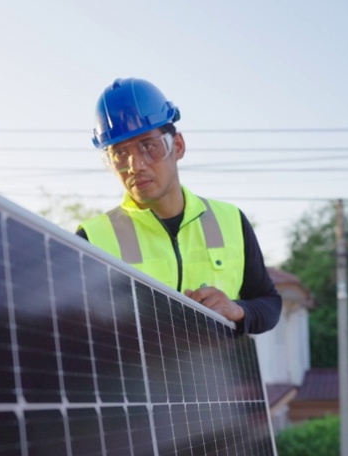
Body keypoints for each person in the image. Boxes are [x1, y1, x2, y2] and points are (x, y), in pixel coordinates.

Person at [77, 78, 281, 335]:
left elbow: (269, 303)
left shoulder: (231, 221)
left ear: (179, 146)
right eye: (119, 154)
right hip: (135, 376)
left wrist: (238, 310)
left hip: (217, 375)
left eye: (148, 147)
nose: (135, 165)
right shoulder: (91, 240)